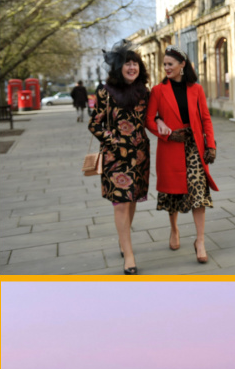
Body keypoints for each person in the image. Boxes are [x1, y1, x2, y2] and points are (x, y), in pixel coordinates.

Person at [146, 48, 218, 263]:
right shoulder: (158, 90)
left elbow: (206, 119)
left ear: (182, 64)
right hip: (170, 148)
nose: (167, 68)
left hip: (194, 147)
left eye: (170, 64)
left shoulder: (196, 89)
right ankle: (174, 229)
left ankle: (200, 241)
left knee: (198, 193)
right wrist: (166, 134)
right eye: (165, 65)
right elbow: (149, 120)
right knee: (173, 194)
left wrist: (210, 145)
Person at [89, 42, 151, 275]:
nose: (132, 67)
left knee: (133, 200)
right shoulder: (105, 93)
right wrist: (112, 139)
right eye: (127, 63)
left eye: (135, 63)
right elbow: (94, 123)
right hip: (115, 158)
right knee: (121, 203)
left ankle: (123, 239)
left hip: (140, 156)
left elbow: (152, 118)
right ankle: (129, 253)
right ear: (119, 67)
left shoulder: (145, 92)